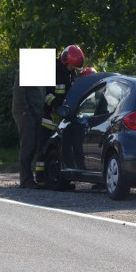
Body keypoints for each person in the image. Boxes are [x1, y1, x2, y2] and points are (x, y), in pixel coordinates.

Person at [35, 44, 86, 183]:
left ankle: (58, 178)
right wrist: (58, 104)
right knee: (43, 147)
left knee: (60, 149)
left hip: (63, 118)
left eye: (75, 67)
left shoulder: (70, 74)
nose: (73, 69)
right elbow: (45, 95)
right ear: (64, 60)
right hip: (48, 117)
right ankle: (40, 179)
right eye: (71, 66)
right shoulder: (51, 71)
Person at [12, 70, 45, 189]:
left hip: (35, 114)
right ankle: (25, 180)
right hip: (26, 114)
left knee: (35, 145)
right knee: (28, 145)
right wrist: (25, 110)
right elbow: (19, 92)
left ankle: (33, 178)